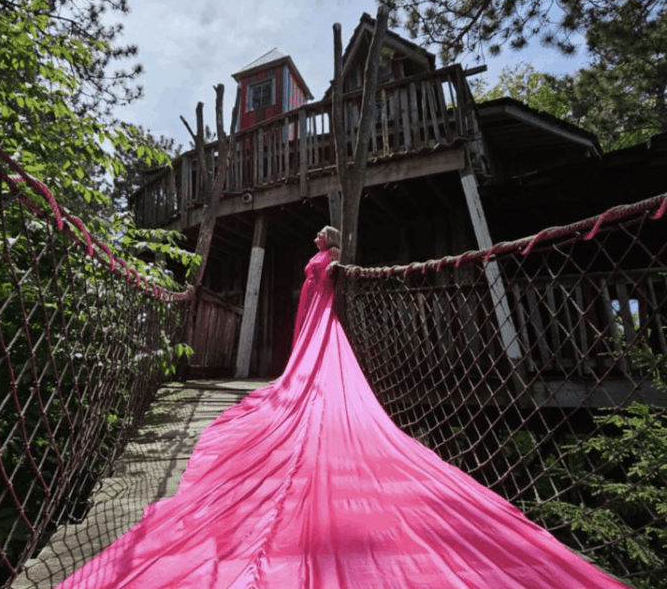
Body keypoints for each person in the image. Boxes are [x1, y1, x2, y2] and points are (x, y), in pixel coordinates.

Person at [57, 227, 629, 589]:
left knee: (314, 362)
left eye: (321, 236)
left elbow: (330, 281)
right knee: (302, 356)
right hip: (310, 305)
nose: (316, 240)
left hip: (321, 307)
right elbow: (316, 281)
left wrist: (326, 282)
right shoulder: (319, 259)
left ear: (329, 242)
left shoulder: (331, 261)